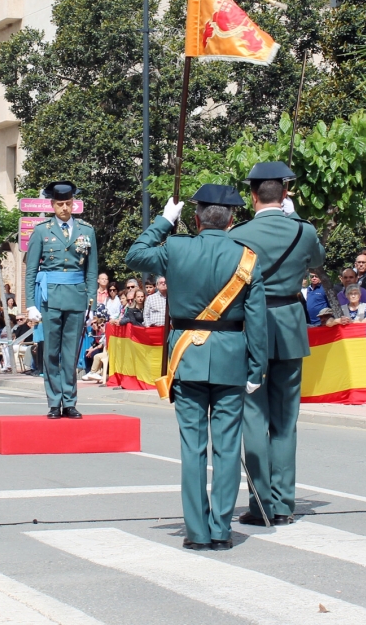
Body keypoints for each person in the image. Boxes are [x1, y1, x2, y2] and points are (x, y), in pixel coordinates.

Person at [127, 185, 268, 550]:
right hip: (231, 358)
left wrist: (163, 221)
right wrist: (256, 369)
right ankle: (221, 530)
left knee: (193, 448)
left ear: (196, 218)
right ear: (232, 221)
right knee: (227, 448)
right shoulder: (247, 257)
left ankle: (197, 532)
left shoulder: (176, 247)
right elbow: (257, 320)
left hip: (187, 357)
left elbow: (135, 255)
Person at [230, 161, 326, 526]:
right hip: (288, 324)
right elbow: (318, 261)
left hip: (250, 325)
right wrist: (295, 217)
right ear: (285, 194)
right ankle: (284, 503)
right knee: (285, 420)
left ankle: (261, 503)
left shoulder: (239, 233)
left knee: (254, 417)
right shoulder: (303, 230)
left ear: (252, 195)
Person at [24, 181, 99, 419]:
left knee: (71, 353)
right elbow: (31, 270)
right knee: (51, 352)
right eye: (60, 204)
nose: (64, 208)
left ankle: (70, 401)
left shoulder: (86, 231)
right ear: (52, 205)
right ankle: (54, 402)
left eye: (68, 203)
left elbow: (91, 270)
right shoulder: (41, 231)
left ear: (73, 203)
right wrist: (30, 303)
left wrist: (92, 303)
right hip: (50, 298)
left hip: (76, 297)